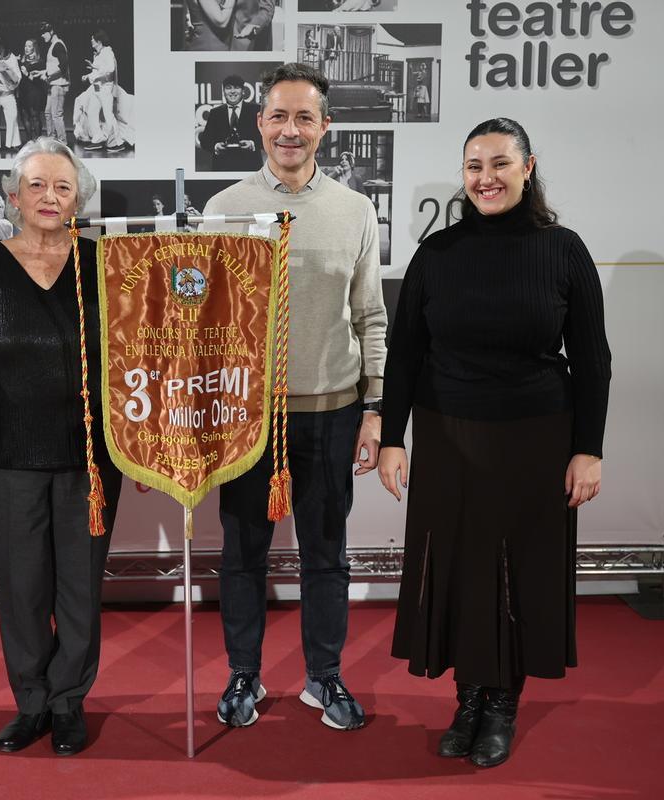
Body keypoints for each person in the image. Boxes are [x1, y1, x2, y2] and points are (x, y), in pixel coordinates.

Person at [378, 117, 612, 768]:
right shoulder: (437, 253)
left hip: (537, 439)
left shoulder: (563, 250)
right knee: (456, 569)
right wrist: (392, 438)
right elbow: (403, 356)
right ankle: (467, 699)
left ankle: (502, 702)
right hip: (448, 435)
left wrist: (588, 449)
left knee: (517, 574)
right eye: (474, 165)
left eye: (500, 163)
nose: (486, 177)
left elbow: (592, 359)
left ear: (527, 169)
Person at [203, 63, 386, 731]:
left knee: (326, 553)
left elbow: (371, 316)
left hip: (332, 411)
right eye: (279, 115)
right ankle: (244, 676)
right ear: (260, 123)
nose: (291, 129)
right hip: (247, 416)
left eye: (305, 117)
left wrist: (375, 409)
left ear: (325, 127)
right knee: (243, 553)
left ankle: (324, 678)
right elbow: (202, 323)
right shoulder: (221, 211)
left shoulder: (355, 210)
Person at [0, 136, 122, 757]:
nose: (49, 196)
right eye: (36, 185)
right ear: (12, 197)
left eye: (63, 187)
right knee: (21, 590)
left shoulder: (105, 267)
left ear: (80, 199)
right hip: (4, 461)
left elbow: (134, 363)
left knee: (79, 589)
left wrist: (143, 445)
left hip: (90, 461)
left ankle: (69, 703)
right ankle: (32, 703)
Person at [76, 30, 127, 152]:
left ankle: (117, 143)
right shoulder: (98, 54)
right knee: (91, 112)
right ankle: (98, 139)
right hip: (96, 89)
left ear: (99, 41)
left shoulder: (107, 52)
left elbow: (110, 68)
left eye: (92, 39)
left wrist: (95, 67)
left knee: (108, 115)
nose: (91, 41)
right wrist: (88, 76)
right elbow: (97, 73)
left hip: (105, 89)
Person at [198, 74, 262, 171]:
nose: (232, 91)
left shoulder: (256, 110)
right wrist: (215, 146)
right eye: (228, 88)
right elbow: (205, 141)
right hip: (223, 168)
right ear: (224, 92)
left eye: (236, 87)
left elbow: (266, 137)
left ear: (243, 91)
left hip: (250, 169)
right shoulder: (215, 112)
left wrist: (252, 144)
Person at [40, 23, 70, 143]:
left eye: (44, 33)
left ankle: (63, 142)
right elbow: (54, 66)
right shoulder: (53, 45)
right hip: (53, 85)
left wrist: (48, 75)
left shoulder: (58, 45)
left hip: (58, 85)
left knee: (56, 114)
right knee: (48, 113)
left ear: (51, 31)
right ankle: (51, 139)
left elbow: (63, 66)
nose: (42, 36)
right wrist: (42, 72)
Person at [19, 38, 48, 140]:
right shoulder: (22, 61)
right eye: (26, 46)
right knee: (24, 116)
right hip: (23, 92)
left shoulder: (40, 62)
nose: (26, 48)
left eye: (29, 46)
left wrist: (27, 74)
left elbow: (39, 81)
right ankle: (29, 140)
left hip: (34, 92)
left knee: (34, 116)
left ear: (34, 48)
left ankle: (38, 140)